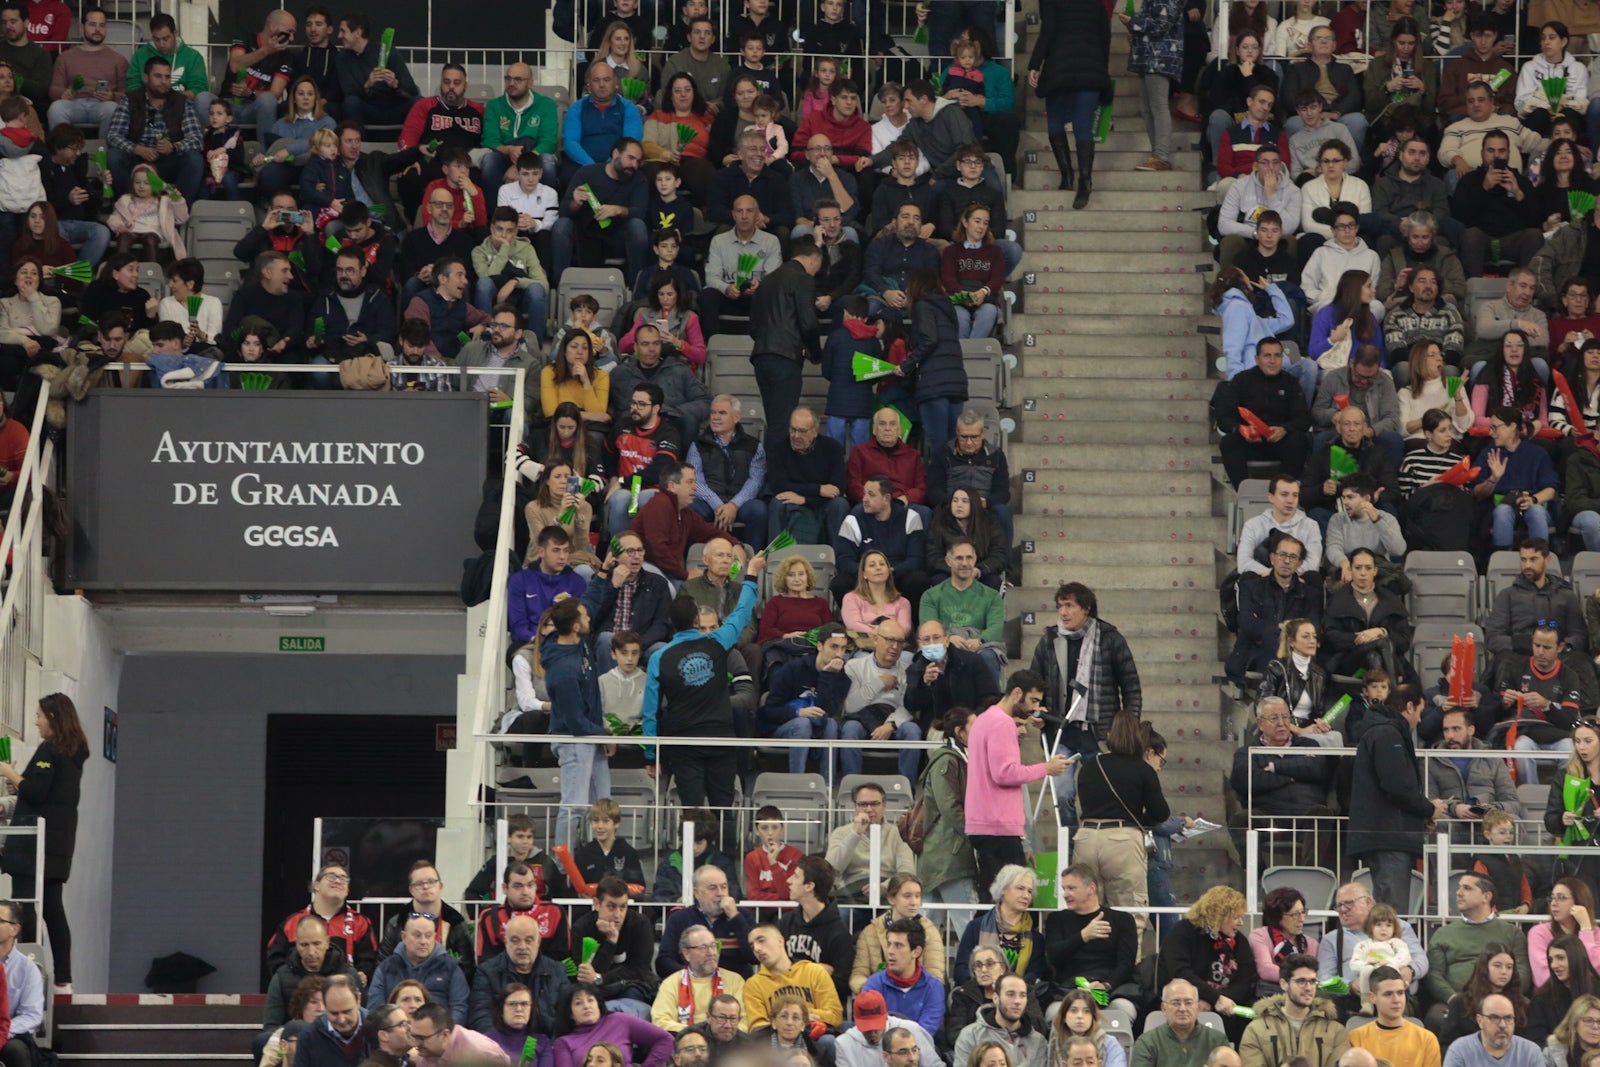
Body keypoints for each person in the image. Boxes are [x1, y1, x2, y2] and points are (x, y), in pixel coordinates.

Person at [643, 556, 765, 810]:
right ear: (697, 622)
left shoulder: (658, 658)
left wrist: (651, 755)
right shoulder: (718, 642)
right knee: (723, 808)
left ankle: (693, 849)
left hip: (683, 744)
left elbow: (650, 714)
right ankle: (725, 849)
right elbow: (742, 613)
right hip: (720, 739)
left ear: (671, 623)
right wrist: (751, 574)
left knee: (693, 812)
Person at [0, 693, 84, 993]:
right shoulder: (72, 752)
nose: (36, 722)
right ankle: (63, 979)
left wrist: (9, 772)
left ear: (53, 717)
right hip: (56, 845)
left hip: (34, 847)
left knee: (27, 909)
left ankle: (28, 977)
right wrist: (20, 784)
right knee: (52, 909)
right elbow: (43, 791)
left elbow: (36, 793)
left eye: (39, 715)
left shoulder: (52, 749)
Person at [964, 672, 1069, 890]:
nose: (1036, 708)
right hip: (998, 825)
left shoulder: (983, 719)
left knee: (996, 897)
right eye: (1033, 700)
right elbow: (1004, 773)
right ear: (1017, 693)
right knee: (1013, 901)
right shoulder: (1002, 724)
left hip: (985, 822)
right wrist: (1046, 768)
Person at [1348, 683, 1448, 910]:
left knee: (1388, 908)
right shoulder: (1387, 734)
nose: (1420, 721)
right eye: (1420, 713)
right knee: (1391, 912)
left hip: (1385, 834)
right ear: (1410, 707)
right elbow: (1397, 786)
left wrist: (1420, 818)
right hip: (1388, 837)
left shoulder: (1382, 731)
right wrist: (1428, 809)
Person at [1216, 339, 1314, 488]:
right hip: (1248, 442)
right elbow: (1224, 418)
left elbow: (1303, 419)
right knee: (1229, 442)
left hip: (1280, 441)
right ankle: (1244, 491)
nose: (1272, 361)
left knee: (1300, 440)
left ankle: (1284, 490)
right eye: (1267, 356)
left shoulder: (1291, 383)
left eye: (1277, 356)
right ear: (1257, 359)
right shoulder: (1241, 381)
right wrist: (1242, 430)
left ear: (1282, 358)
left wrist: (1284, 429)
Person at [105, 54, 203, 204]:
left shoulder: (182, 102)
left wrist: (174, 147)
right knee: (114, 156)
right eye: (158, 76)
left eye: (167, 77)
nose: (164, 82)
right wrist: (137, 149)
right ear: (146, 77)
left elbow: (197, 139)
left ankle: (180, 210)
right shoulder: (130, 99)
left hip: (168, 161)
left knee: (194, 159)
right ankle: (129, 206)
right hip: (137, 160)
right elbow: (113, 135)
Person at [1226, 537, 1323, 685]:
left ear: (1300, 563)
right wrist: (1286, 628)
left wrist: (1273, 627)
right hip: (1257, 651)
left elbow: (1312, 626)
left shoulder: (1310, 594)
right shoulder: (1251, 587)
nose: (1286, 561)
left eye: (1292, 557)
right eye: (1282, 555)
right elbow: (1246, 622)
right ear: (1272, 558)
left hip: (1295, 653)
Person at [1046, 865, 1138, 1006]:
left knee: (1124, 1008)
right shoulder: (1056, 919)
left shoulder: (1122, 920)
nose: (1065, 894)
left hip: (1111, 988)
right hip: (1069, 988)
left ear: (1091, 888)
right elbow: (1053, 956)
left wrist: (1106, 985)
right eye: (1064, 889)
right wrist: (1083, 936)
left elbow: (1126, 963)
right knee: (1054, 1012)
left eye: (1071, 888)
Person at [1238, 953, 1349, 1067]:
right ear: (1284, 984)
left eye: (1312, 981)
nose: (1308, 987)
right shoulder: (1256, 1030)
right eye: (1301, 981)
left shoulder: (1335, 1031)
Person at [1485, 538, 1586, 659]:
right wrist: (1524, 644)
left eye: (1533, 559)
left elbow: (1580, 636)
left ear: (1546, 559)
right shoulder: (1507, 595)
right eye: (1523, 560)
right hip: (1518, 657)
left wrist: (1562, 647)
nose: (1527, 565)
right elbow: (1493, 638)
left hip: (1560, 658)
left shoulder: (1566, 596)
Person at [1320, 548, 1412, 679]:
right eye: (1358, 568)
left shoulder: (1391, 600)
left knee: (1374, 655)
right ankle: (1392, 694)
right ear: (1350, 570)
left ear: (1375, 571)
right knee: (1381, 644)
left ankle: (1380, 696)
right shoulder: (1336, 600)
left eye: (1368, 568)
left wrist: (1381, 632)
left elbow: (1404, 641)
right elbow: (1331, 638)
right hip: (1349, 663)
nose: (1363, 573)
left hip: (1386, 660)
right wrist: (1364, 639)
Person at [367, 913, 470, 1022]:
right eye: (417, 935)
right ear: (404, 937)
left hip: (439, 1034)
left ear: (435, 937)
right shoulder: (386, 968)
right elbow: (376, 1010)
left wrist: (444, 1033)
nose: (423, 941)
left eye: (428, 935)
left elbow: (460, 1007)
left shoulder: (451, 967)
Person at [744, 922, 844, 1031]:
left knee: (828, 1041)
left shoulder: (814, 972)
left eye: (761, 941)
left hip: (814, 1038)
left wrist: (801, 1016)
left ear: (780, 941)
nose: (757, 949)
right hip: (775, 1044)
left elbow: (835, 1016)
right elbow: (757, 1027)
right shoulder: (754, 985)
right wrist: (794, 1018)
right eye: (752, 946)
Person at [45, 7, 124, 139]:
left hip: (103, 105)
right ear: (82, 27)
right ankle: (64, 153)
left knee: (113, 109)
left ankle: (104, 153)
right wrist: (64, 93)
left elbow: (126, 94)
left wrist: (112, 96)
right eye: (92, 25)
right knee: (56, 108)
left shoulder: (118, 59)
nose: (97, 29)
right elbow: (53, 90)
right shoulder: (65, 57)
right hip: (74, 103)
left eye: (102, 25)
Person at [1348, 968, 1440, 1067]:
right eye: (1388, 994)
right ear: (1372, 998)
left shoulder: (1427, 1039)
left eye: (1400, 993)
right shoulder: (1356, 1038)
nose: (1396, 1000)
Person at [953, 972, 1048, 1067]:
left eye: (1022, 995)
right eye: (1011, 994)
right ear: (995, 998)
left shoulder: (1038, 1042)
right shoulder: (971, 1035)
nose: (1017, 1001)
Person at [1129, 981, 1228, 1067]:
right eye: (1176, 1003)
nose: (1182, 1009)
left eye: (1188, 1003)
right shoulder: (1147, 1043)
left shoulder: (1217, 1041)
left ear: (1198, 1008)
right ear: (1164, 1009)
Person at [1442, 993, 1543, 1067]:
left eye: (1508, 1018)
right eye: (1494, 1018)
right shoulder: (1460, 1050)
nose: (1503, 1025)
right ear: (1480, 1021)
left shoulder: (1530, 1052)